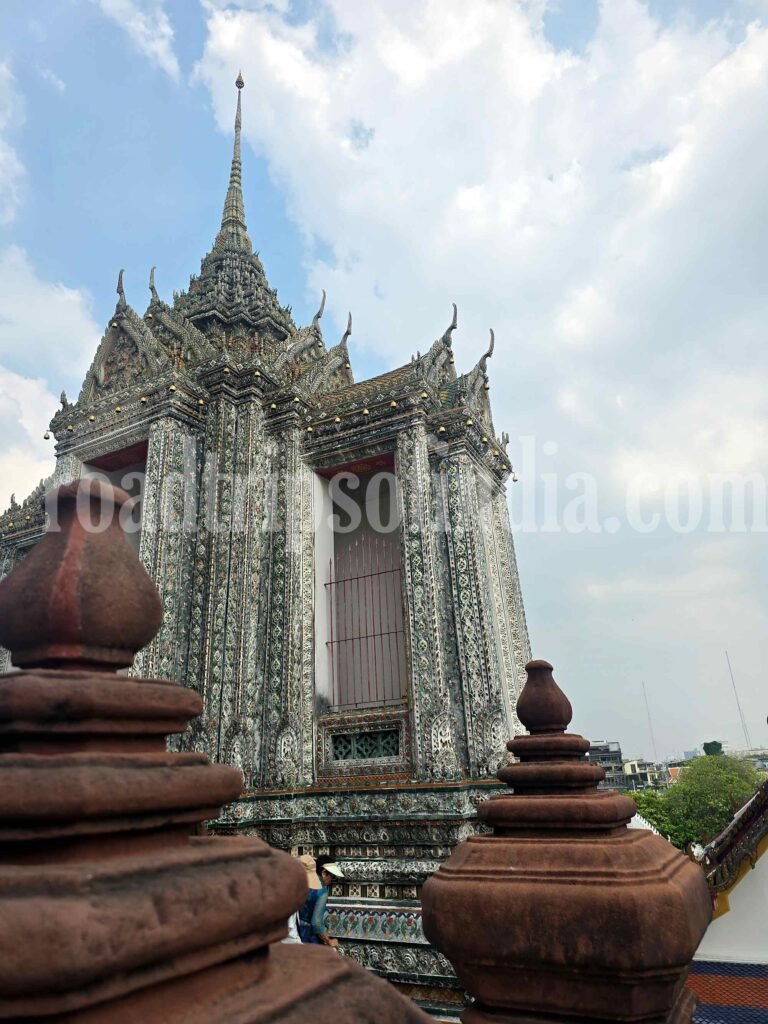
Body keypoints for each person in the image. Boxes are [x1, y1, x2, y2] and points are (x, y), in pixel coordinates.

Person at [297, 854, 344, 947]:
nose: (331, 880)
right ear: (324, 873)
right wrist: (328, 940)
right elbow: (316, 923)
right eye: (331, 876)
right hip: (308, 938)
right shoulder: (322, 891)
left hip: (295, 932)